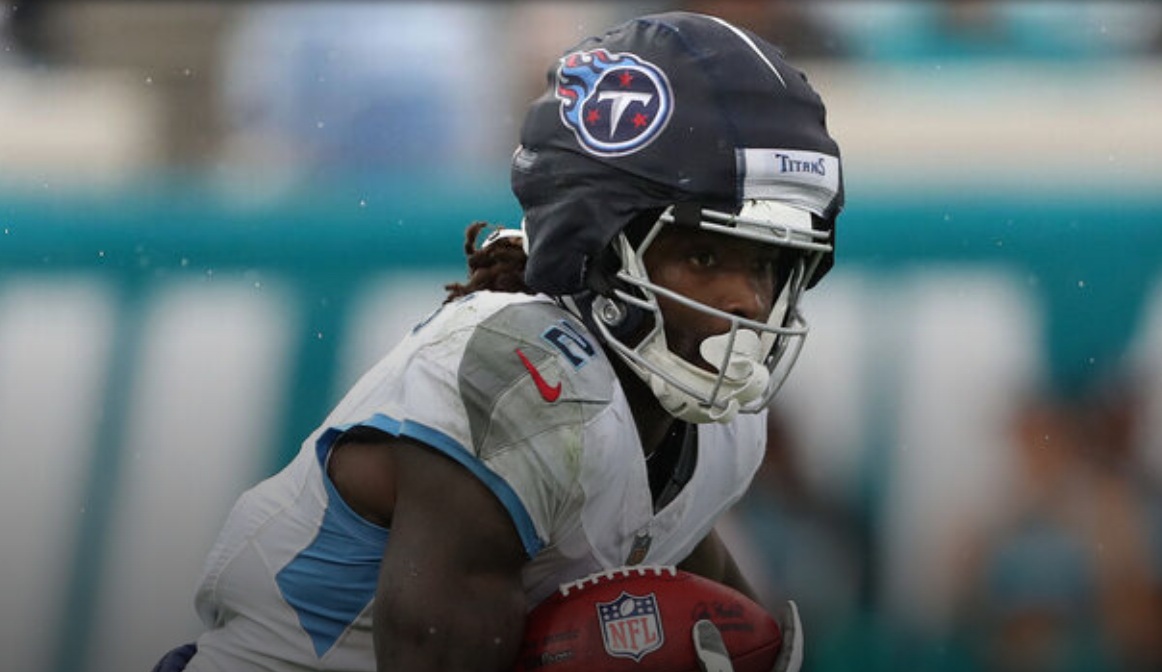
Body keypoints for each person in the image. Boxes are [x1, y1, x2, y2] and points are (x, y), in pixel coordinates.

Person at [153, 10, 844, 672]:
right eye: (704, 257)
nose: (746, 302)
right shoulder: (523, 385)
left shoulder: (717, 427)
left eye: (766, 264)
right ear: (598, 242)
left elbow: (683, 580)